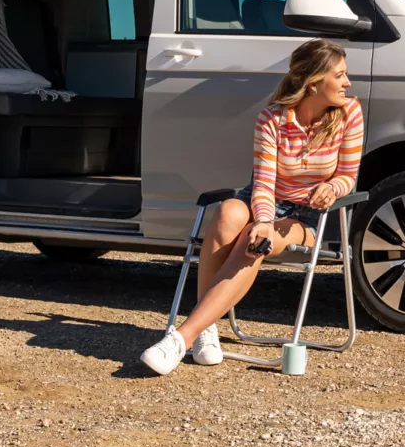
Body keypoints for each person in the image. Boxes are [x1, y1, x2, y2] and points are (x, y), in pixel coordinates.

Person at [140, 38, 364, 376]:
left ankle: (183, 337)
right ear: (315, 82)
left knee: (253, 240)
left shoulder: (349, 113)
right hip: (264, 200)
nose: (348, 83)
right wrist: (263, 219)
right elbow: (263, 183)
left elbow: (347, 175)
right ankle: (207, 331)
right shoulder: (272, 119)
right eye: (341, 75)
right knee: (228, 213)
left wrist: (331, 188)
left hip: (305, 216)